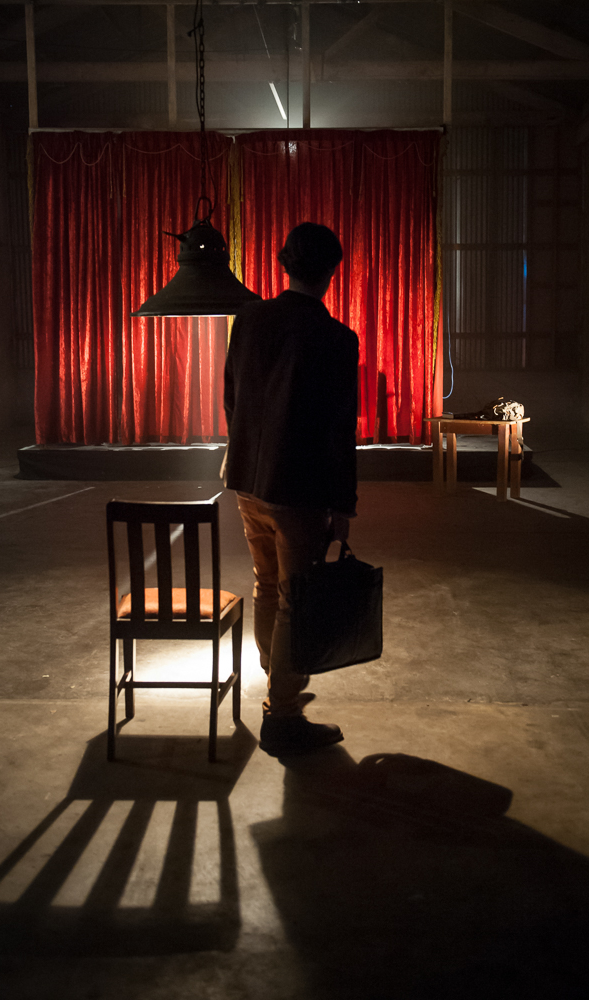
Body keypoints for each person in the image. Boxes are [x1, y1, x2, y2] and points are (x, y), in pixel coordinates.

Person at [223, 222, 359, 757]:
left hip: (247, 481)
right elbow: (338, 432)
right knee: (293, 602)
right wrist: (342, 505)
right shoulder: (336, 338)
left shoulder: (249, 319)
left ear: (284, 263)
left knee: (266, 585)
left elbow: (232, 399)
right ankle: (281, 716)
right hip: (298, 490)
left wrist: (245, 458)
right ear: (331, 272)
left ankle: (277, 679)